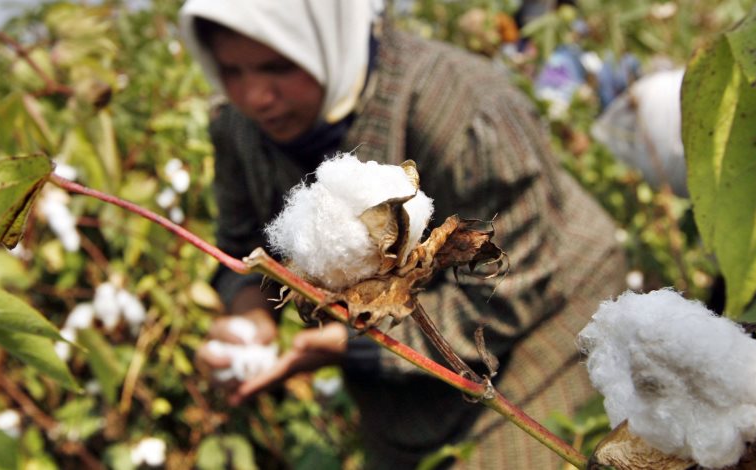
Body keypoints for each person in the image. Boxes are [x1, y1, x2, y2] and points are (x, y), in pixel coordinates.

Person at [178, 1, 628, 468]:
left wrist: (347, 344)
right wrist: (252, 321)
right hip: (393, 350)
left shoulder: (461, 103)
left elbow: (517, 277)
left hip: (546, 319)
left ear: (323, 39)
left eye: (278, 66)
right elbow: (241, 247)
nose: (255, 97)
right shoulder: (238, 129)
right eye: (231, 71)